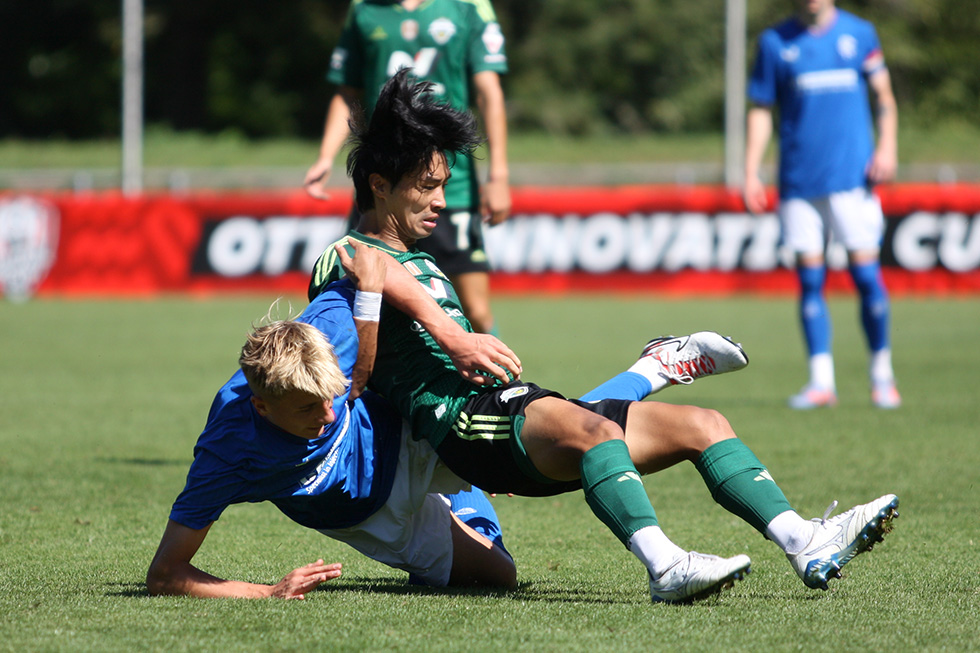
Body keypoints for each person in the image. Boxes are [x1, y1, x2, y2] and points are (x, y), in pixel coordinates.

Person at [309, 69, 901, 604]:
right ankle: (666, 566)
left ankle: (806, 540)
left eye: (443, 184)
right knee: (592, 430)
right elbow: (369, 300)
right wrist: (453, 337)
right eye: (425, 186)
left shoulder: (425, 261)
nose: (440, 201)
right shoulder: (343, 255)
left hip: (500, 411)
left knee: (705, 426)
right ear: (380, 185)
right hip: (463, 425)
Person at [146, 235, 744, 598]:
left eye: (331, 396)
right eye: (306, 408)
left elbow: (374, 268)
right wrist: (265, 591)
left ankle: (655, 367)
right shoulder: (227, 451)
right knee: (500, 578)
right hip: (375, 516)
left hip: (406, 430)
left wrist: (452, 337)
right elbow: (167, 574)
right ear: (260, 406)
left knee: (562, 451)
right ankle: (650, 370)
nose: (328, 415)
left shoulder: (320, 332)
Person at [304, 0, 510, 336]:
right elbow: (347, 94)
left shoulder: (467, 7)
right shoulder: (364, 10)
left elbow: (489, 91)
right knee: (358, 294)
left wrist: (498, 176)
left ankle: (499, 383)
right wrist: (326, 157)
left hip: (451, 185)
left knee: (474, 309)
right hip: (386, 182)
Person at [743, 0, 901, 410]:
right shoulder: (775, 42)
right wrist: (750, 170)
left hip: (853, 179)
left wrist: (887, 146)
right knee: (810, 281)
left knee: (866, 276)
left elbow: (883, 95)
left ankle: (882, 376)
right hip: (799, 182)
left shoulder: (859, 33)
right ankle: (821, 382)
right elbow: (761, 108)